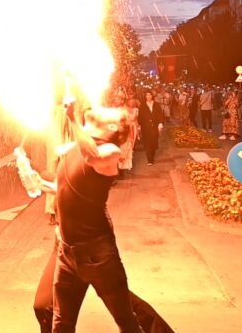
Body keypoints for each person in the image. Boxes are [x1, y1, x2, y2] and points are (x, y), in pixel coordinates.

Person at [21, 106, 149, 333]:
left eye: (110, 111)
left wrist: (72, 118)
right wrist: (36, 180)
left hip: (98, 256)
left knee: (126, 322)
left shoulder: (110, 152)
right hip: (67, 253)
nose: (102, 108)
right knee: (61, 324)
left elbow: (92, 156)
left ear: (112, 126)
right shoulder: (76, 145)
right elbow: (67, 186)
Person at [138, 90, 164, 165]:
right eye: (147, 95)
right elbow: (140, 116)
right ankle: (150, 160)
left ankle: (152, 154)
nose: (148, 96)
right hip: (145, 127)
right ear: (145, 96)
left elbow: (160, 114)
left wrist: (160, 123)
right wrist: (139, 125)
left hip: (154, 126)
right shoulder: (142, 105)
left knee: (154, 142)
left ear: (152, 96)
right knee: (147, 143)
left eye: (149, 95)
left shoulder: (156, 104)